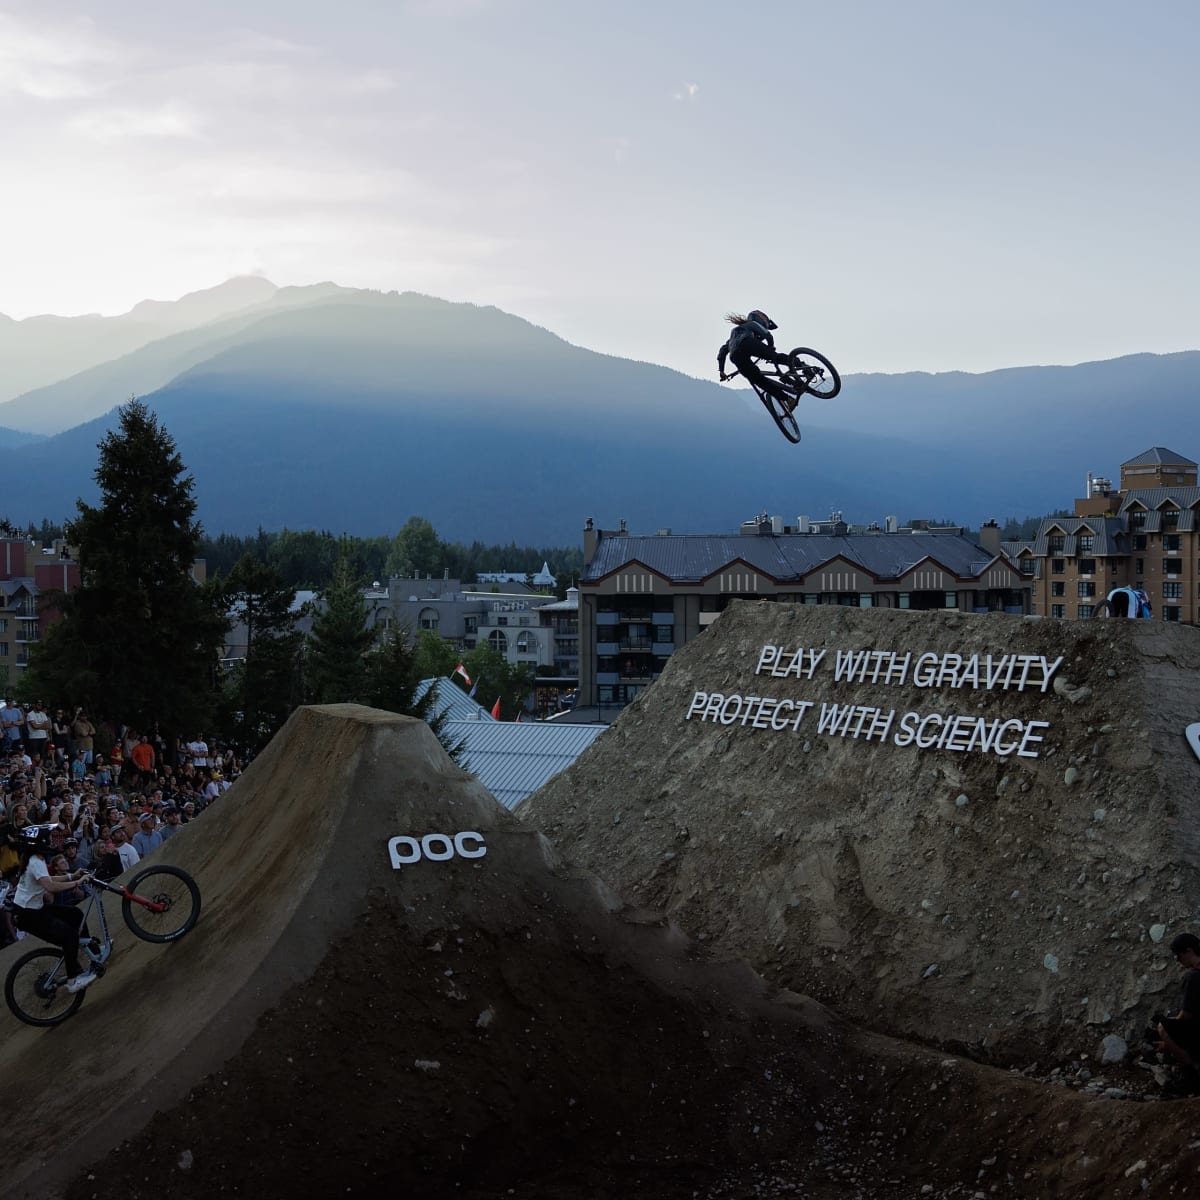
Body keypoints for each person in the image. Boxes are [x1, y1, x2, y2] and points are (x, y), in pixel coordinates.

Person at [11, 825, 97, 992]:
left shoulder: (35, 858)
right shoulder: (35, 860)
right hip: (27, 914)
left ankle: (91, 950)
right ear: (39, 841)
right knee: (69, 936)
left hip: (34, 908)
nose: (51, 840)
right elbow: (50, 886)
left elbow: (47, 878)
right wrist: (78, 882)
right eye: (48, 838)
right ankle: (73, 981)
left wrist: (72, 875)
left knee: (75, 914)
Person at [717, 310, 799, 412]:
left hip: (736, 357)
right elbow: (768, 335)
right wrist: (771, 349)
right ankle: (801, 364)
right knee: (776, 357)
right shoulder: (750, 325)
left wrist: (721, 370)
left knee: (759, 380)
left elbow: (722, 352)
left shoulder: (732, 338)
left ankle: (788, 399)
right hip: (747, 343)